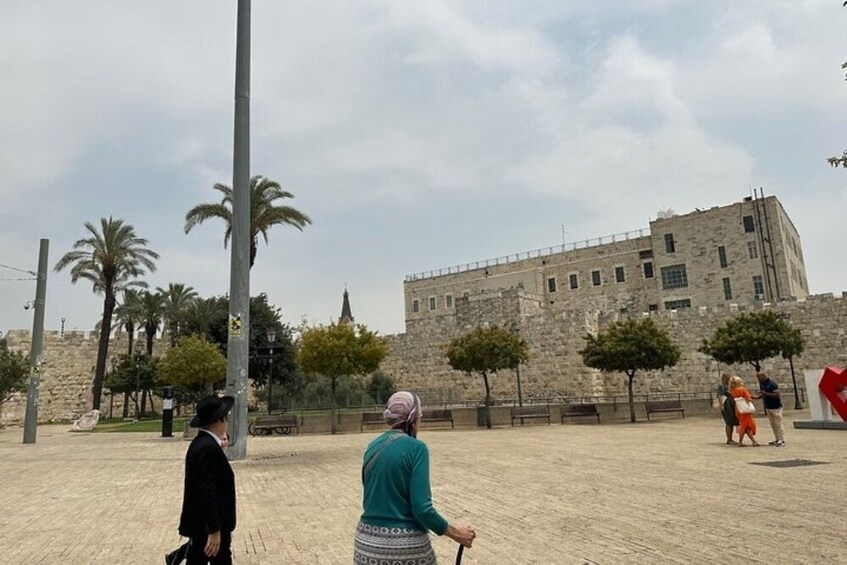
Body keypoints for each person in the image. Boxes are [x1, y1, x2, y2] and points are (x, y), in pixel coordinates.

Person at [354, 391, 476, 564]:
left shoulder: (373, 445)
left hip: (366, 544)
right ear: (412, 419)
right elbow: (422, 509)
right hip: (404, 547)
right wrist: (457, 534)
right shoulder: (417, 449)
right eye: (419, 416)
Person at [175, 395, 237, 564]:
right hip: (208, 529)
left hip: (203, 526)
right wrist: (214, 530)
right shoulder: (207, 447)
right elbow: (206, 491)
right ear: (220, 420)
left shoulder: (203, 443)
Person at [754, 372, 785, 447]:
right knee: (773, 424)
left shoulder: (772, 384)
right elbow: (760, 396)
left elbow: (777, 395)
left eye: (759, 377)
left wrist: (765, 393)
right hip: (768, 407)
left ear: (763, 376)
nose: (758, 379)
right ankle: (777, 438)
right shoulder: (763, 385)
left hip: (776, 407)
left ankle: (781, 439)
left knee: (778, 423)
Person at [729, 376, 759, 447]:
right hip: (745, 410)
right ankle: (742, 442)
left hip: (738, 409)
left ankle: (752, 441)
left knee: (745, 426)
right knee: (746, 426)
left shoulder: (733, 390)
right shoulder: (742, 389)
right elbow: (748, 399)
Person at [716, 373, 738, 445]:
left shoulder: (729, 385)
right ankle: (729, 439)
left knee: (731, 421)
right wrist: (721, 405)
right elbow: (720, 396)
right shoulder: (721, 386)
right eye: (727, 378)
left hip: (731, 404)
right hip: (726, 404)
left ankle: (730, 439)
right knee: (729, 422)